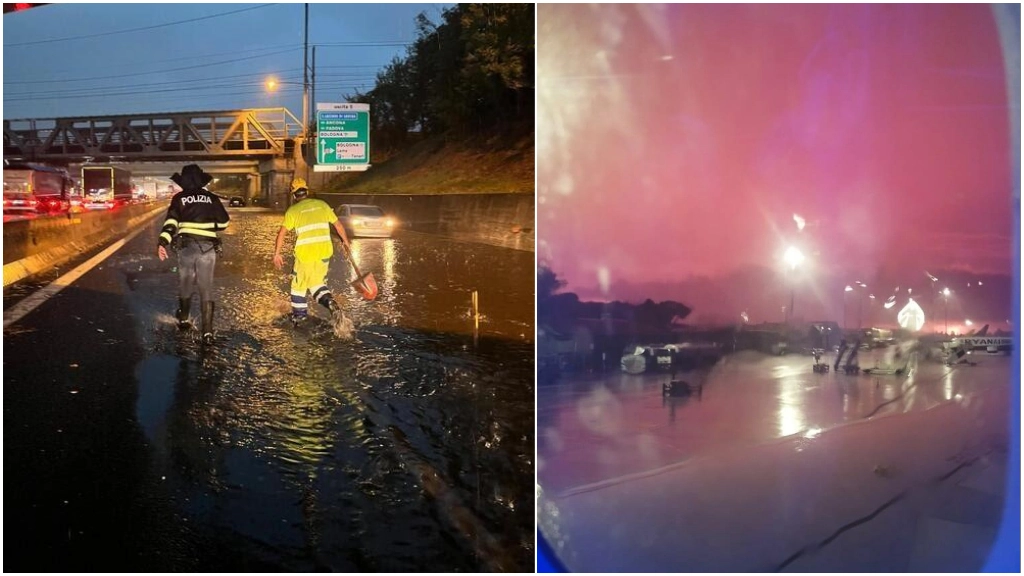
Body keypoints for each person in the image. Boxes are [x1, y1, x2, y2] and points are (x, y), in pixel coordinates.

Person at [157, 164, 230, 343]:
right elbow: (224, 223)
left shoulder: (179, 198)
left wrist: (162, 242)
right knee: (206, 287)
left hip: (186, 247)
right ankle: (207, 332)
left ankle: (183, 320)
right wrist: (208, 225)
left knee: (186, 282)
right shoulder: (211, 197)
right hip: (207, 248)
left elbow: (171, 223)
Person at [273, 177, 351, 324]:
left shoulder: (293, 211)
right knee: (316, 283)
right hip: (324, 252)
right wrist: (346, 243)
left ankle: (300, 316)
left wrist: (277, 253)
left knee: (298, 287)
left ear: (294, 195)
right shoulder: (322, 205)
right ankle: (330, 303)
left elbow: (282, 233)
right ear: (307, 191)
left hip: (305, 254)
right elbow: (338, 226)